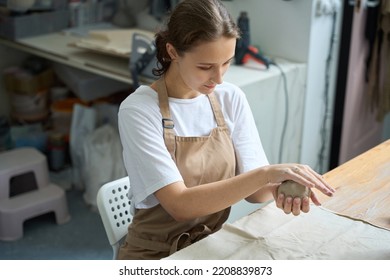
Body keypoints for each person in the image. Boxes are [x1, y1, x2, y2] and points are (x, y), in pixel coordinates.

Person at [117, 0, 335, 260]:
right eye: (205, 66)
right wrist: (268, 174)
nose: (219, 78)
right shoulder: (139, 110)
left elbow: (255, 192)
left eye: (226, 63)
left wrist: (281, 187)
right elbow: (180, 205)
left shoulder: (230, 98)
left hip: (209, 247)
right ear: (173, 52)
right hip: (155, 256)